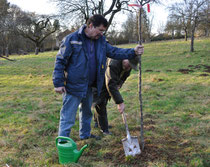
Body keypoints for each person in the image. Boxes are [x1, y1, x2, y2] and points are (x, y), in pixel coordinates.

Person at [53, 14, 144, 140]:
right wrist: (58, 83)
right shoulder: (72, 39)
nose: (101, 34)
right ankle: (63, 143)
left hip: (90, 85)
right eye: (100, 30)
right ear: (90, 26)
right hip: (73, 86)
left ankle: (85, 135)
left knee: (87, 113)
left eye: (103, 31)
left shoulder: (101, 41)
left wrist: (132, 52)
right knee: (68, 116)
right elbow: (60, 61)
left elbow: (114, 52)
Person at [93, 56, 141, 135]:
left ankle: (98, 123)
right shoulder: (114, 64)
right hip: (98, 79)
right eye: (129, 65)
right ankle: (104, 129)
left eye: (131, 67)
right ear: (125, 59)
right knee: (100, 103)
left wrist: (119, 84)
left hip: (107, 81)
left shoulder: (128, 66)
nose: (129, 68)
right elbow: (110, 84)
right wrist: (119, 102)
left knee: (102, 102)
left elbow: (123, 78)